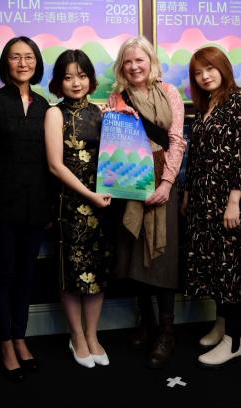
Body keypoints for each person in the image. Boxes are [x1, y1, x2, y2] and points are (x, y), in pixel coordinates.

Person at [108, 35, 185, 368]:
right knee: (134, 252)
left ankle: (167, 331)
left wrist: (167, 183)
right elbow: (114, 143)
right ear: (122, 66)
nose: (134, 66)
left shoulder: (170, 93)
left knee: (162, 255)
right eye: (128, 61)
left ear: (151, 62)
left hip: (162, 179)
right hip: (131, 181)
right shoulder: (117, 98)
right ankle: (147, 322)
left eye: (140, 60)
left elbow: (177, 140)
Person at [0, 36, 52, 381]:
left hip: (37, 206)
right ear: (5, 63)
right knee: (4, 275)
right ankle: (5, 341)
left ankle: (21, 337)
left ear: (37, 62)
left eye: (28, 57)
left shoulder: (45, 106)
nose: (22, 63)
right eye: (14, 57)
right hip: (2, 206)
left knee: (27, 275)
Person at [44, 49, 112, 369]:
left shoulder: (101, 112)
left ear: (90, 79)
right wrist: (89, 194)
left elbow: (114, 159)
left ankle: (93, 335)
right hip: (70, 205)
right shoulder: (55, 114)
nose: (76, 83)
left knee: (96, 271)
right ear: (58, 82)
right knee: (71, 272)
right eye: (68, 77)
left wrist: (111, 191)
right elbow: (56, 166)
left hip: (102, 206)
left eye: (82, 76)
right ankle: (77, 337)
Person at [181, 46, 241, 367]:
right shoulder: (204, 106)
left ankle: (235, 341)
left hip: (229, 200)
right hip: (204, 199)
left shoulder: (237, 102)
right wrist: (189, 193)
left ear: (222, 67)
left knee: (233, 270)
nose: (205, 76)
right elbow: (198, 156)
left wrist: (235, 200)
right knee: (218, 266)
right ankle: (222, 325)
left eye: (209, 68)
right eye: (198, 72)